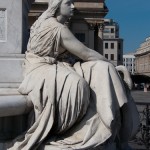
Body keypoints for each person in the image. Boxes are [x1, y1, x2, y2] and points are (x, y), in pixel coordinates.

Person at [7, 0, 139, 149]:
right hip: (40, 68)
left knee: (103, 69)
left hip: (59, 65)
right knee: (79, 83)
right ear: (57, 6)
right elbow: (86, 53)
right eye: (68, 3)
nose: (73, 6)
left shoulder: (46, 21)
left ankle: (109, 123)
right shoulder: (56, 28)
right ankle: (82, 130)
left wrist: (110, 67)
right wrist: (114, 68)